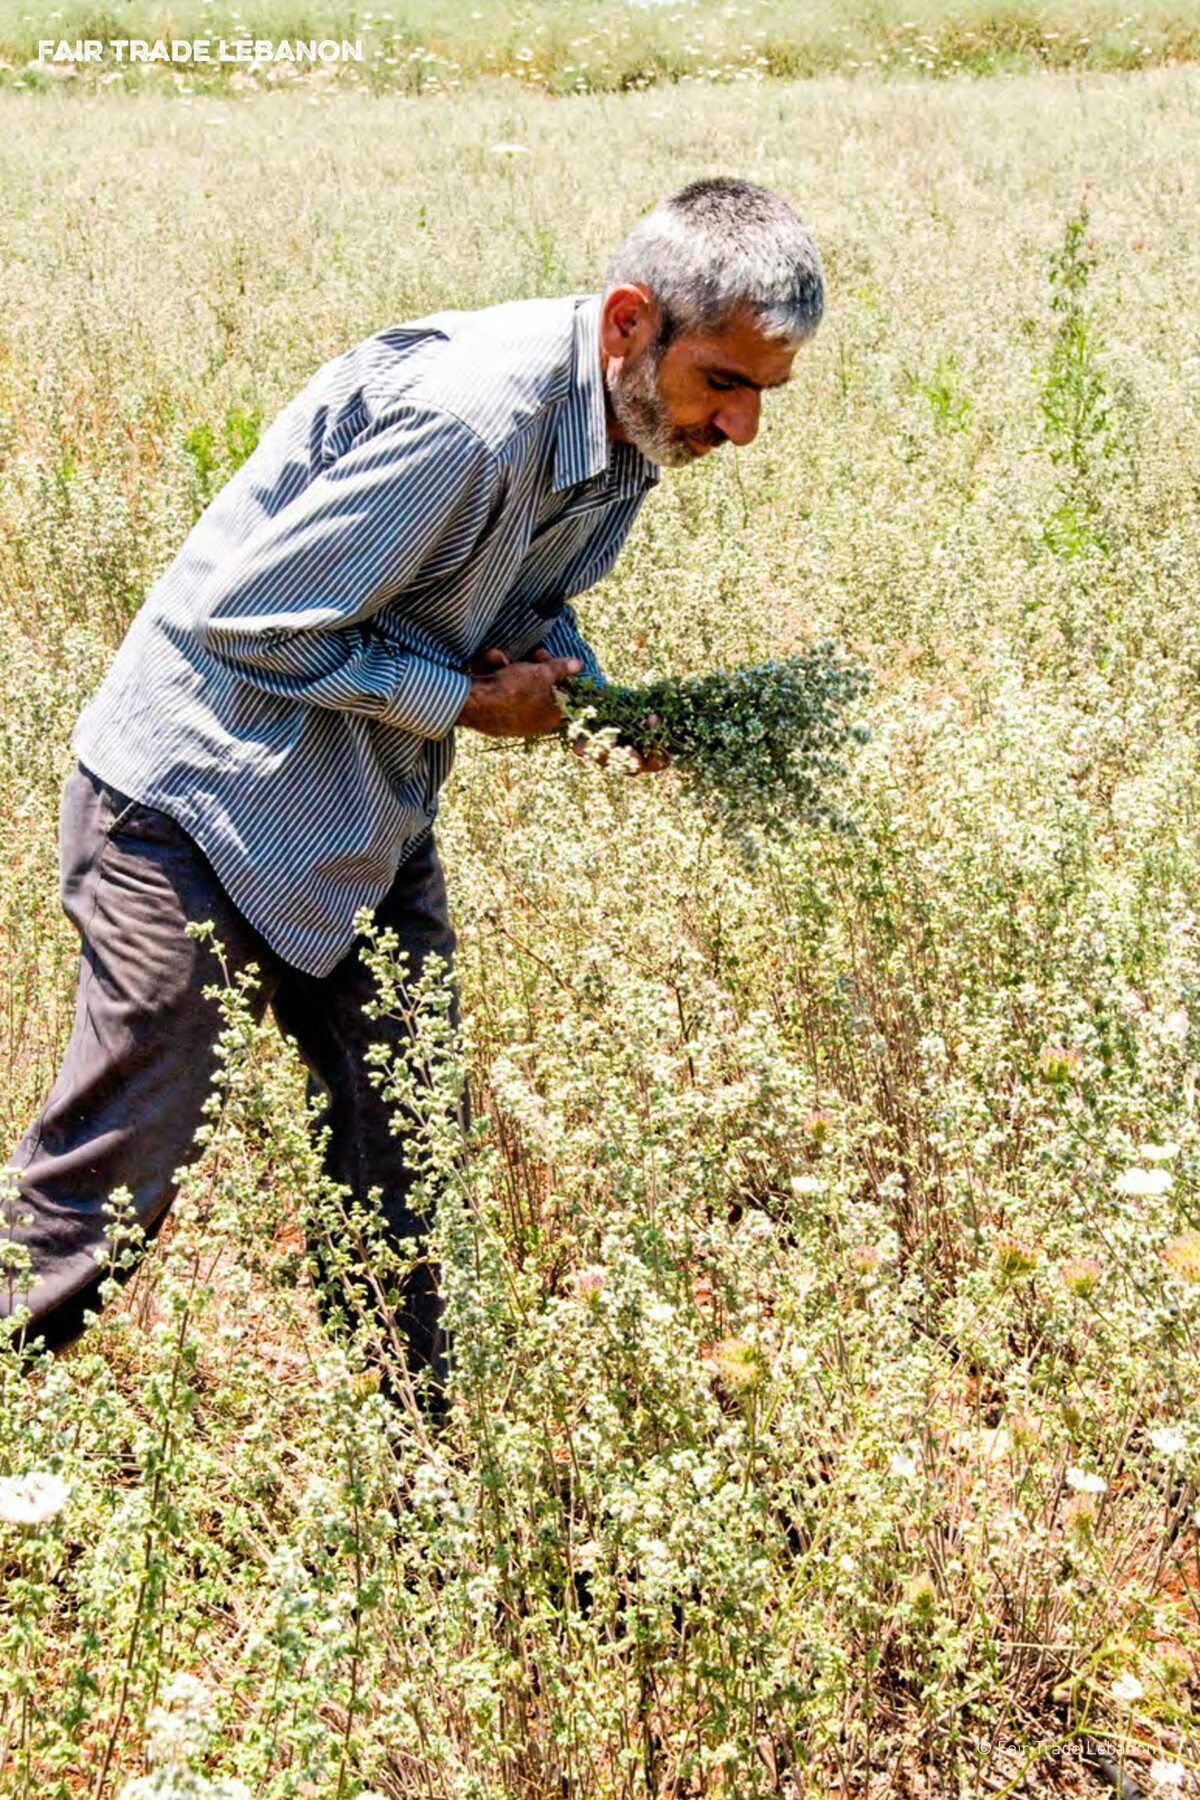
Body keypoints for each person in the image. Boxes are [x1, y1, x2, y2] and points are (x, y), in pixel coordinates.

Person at [0, 175, 824, 1410]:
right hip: (198, 811)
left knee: (408, 1154)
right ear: (627, 322)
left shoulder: (632, 429)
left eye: (767, 392)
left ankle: (425, 1473)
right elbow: (248, 621)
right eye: (726, 382)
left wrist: (588, 696)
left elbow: (518, 599)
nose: (744, 426)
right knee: (112, 1178)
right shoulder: (473, 418)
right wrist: (467, 705)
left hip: (363, 813)